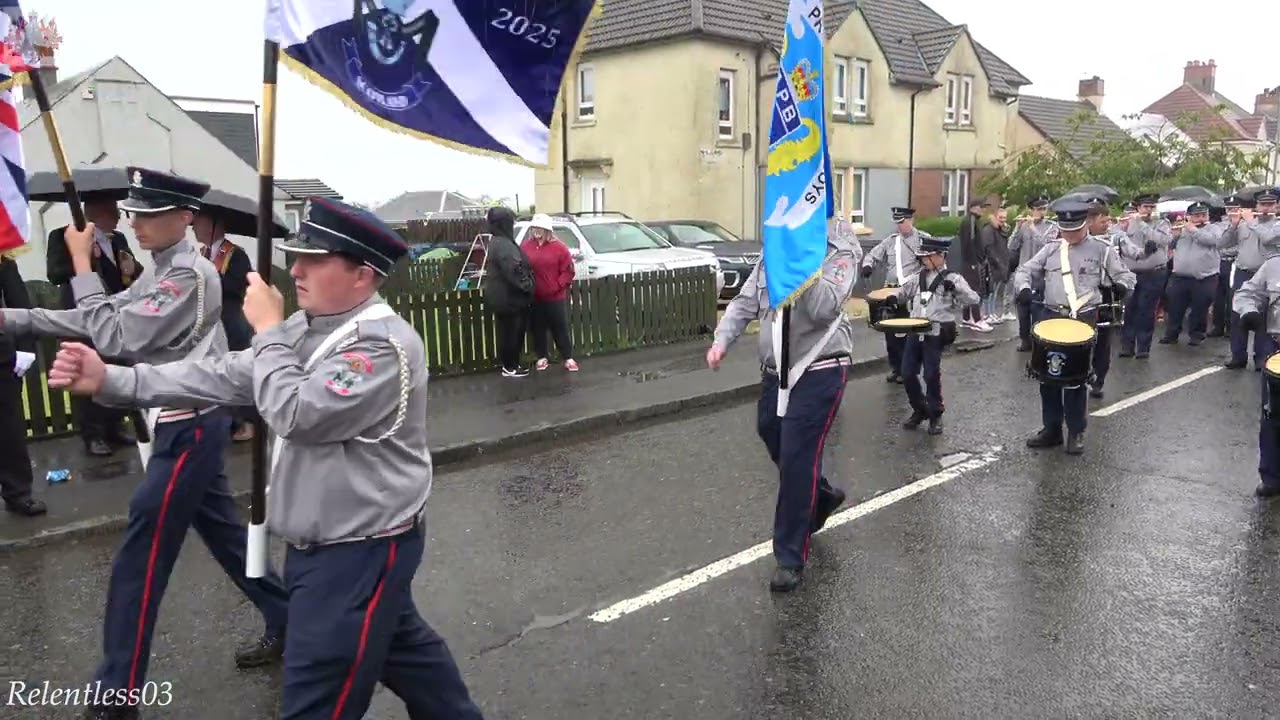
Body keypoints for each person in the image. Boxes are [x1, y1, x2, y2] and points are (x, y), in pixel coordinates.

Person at [50, 196, 485, 719]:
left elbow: (297, 412)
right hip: (323, 548)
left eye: (315, 259)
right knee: (419, 670)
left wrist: (269, 332)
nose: (295, 270)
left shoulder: (381, 347)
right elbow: (225, 374)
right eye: (297, 255)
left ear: (363, 275)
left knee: (315, 701)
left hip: (357, 552)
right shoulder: (310, 328)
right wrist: (115, 379)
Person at [1, 167, 290, 720]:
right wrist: (14, 319)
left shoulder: (190, 276)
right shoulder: (160, 271)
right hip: (182, 423)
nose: (136, 223)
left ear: (185, 217)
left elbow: (116, 335)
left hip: (190, 426)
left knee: (140, 559)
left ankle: (117, 693)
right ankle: (289, 620)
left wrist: (83, 265)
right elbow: (103, 315)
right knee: (228, 539)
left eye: (150, 214)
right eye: (134, 213)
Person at [709, 227, 861, 592]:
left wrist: (800, 262)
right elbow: (746, 301)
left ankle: (790, 555)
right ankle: (820, 495)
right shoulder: (775, 245)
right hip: (776, 372)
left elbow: (823, 309)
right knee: (770, 430)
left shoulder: (840, 249)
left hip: (820, 366)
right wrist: (722, 340)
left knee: (797, 457)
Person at [1014, 200, 1135, 455]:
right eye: (1065, 230)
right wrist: (1024, 288)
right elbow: (1025, 270)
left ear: (1085, 224)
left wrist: (1121, 286)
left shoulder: (1102, 249)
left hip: (1083, 317)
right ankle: (1052, 429)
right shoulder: (1051, 249)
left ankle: (1076, 431)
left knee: (1075, 379)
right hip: (1052, 316)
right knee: (1048, 376)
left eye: (1075, 229)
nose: (1069, 235)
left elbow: (1126, 275)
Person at [47, 196, 142, 456]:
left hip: (115, 317)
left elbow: (130, 275)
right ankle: (93, 434)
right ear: (97, 212)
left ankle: (115, 426)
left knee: (114, 369)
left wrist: (133, 267)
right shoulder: (63, 235)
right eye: (113, 211)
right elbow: (54, 273)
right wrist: (84, 258)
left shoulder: (118, 239)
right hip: (82, 317)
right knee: (85, 372)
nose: (119, 217)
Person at [882, 235, 978, 435]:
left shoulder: (953, 278)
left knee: (931, 374)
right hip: (915, 330)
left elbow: (973, 299)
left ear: (941, 256)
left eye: (928, 257)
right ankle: (920, 409)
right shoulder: (918, 277)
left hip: (936, 332)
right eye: (923, 257)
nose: (924, 260)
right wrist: (892, 299)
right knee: (907, 373)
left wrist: (957, 290)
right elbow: (903, 293)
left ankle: (935, 414)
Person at [193, 205, 256, 440]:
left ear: (213, 225)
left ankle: (249, 422)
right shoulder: (203, 255)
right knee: (217, 373)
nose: (194, 227)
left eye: (198, 222)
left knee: (239, 372)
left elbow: (238, 285)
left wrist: (210, 275)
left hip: (232, 321)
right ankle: (228, 422)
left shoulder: (235, 254)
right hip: (211, 323)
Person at [0, 253, 44, 516]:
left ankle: (18, 493)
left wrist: (25, 350)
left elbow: (19, 304)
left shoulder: (2, 260)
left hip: (1, 358)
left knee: (8, 429)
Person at [861, 207, 925, 383]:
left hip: (910, 293)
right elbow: (872, 255)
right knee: (890, 333)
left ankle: (909, 369)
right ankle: (896, 368)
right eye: (897, 223)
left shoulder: (922, 240)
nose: (899, 226)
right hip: (890, 291)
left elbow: (933, 262)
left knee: (908, 333)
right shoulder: (890, 241)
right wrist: (867, 266)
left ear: (911, 220)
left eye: (902, 222)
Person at [1223, 188, 1280, 370]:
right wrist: (1233, 225)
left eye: (1270, 204)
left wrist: (1250, 222)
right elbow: (1222, 244)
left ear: (1276, 206)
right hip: (1243, 272)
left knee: (1264, 318)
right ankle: (1238, 355)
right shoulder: (1243, 224)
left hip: (1266, 276)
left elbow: (1268, 238)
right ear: (1256, 205)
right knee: (1238, 313)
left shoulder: (1277, 225)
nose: (1265, 208)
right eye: (1262, 204)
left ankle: (1262, 358)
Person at [1160, 201, 1227, 347]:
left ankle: (1197, 334)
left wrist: (1194, 230)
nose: (1201, 218)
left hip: (1205, 276)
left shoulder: (1214, 228)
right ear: (1189, 217)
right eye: (1197, 216)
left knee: (1200, 307)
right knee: (1175, 306)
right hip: (1180, 276)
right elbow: (1168, 246)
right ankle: (1171, 333)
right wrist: (1175, 237)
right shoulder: (1182, 229)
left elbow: (1214, 241)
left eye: (1203, 215)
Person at [1114, 195, 1173, 359]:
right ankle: (1127, 346)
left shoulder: (1162, 223)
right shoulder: (1128, 222)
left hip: (1153, 272)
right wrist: (1122, 226)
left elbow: (1164, 240)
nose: (1149, 210)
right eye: (1145, 207)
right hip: (1130, 273)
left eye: (1151, 207)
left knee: (1146, 310)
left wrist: (1141, 224)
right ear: (1138, 208)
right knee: (1129, 309)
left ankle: (1143, 347)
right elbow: (1116, 239)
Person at [520, 213, 578, 372]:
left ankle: (568, 357)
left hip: (555, 297)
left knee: (560, 327)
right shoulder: (525, 247)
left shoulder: (560, 248)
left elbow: (568, 271)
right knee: (537, 328)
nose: (536, 231)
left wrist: (558, 285)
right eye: (534, 228)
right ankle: (542, 357)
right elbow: (521, 268)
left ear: (547, 230)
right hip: (534, 297)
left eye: (540, 228)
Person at [481, 206, 534, 377]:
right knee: (512, 333)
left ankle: (510, 365)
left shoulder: (497, 241)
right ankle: (510, 367)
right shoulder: (503, 244)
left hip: (503, 297)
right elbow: (513, 269)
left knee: (508, 332)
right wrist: (528, 286)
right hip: (510, 298)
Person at [1008, 194, 1059, 352]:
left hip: (1040, 276)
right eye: (1039, 209)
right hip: (1023, 273)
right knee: (1022, 311)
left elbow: (1046, 245)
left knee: (1038, 312)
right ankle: (1025, 340)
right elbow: (1011, 246)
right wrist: (1017, 228)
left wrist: (1033, 228)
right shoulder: (1023, 226)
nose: (1042, 212)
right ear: (1031, 210)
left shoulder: (1052, 227)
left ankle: (1038, 342)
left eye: (1044, 209)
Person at [1208, 195, 1240, 338]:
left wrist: (1224, 251)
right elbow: (1217, 243)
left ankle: (1231, 327)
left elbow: (1242, 246)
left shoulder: (1243, 225)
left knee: (1231, 296)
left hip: (1234, 262)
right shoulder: (1218, 225)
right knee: (1218, 296)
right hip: (1218, 262)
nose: (1231, 211)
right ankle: (1218, 326)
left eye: (1234, 208)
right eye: (1229, 208)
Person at [957, 198, 991, 331]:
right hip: (972, 262)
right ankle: (976, 319)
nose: (983, 210)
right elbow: (970, 242)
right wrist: (973, 261)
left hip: (971, 261)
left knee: (968, 289)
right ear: (973, 208)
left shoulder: (972, 220)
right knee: (974, 289)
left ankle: (966, 318)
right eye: (981, 207)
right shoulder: (970, 221)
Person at [981, 205, 1012, 324]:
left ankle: (992, 313)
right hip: (992, 265)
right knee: (989, 291)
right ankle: (987, 314)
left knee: (994, 291)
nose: (1003, 220)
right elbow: (988, 248)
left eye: (1004, 217)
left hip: (1000, 264)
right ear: (995, 216)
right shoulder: (988, 230)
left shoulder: (1000, 229)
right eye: (1000, 217)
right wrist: (997, 262)